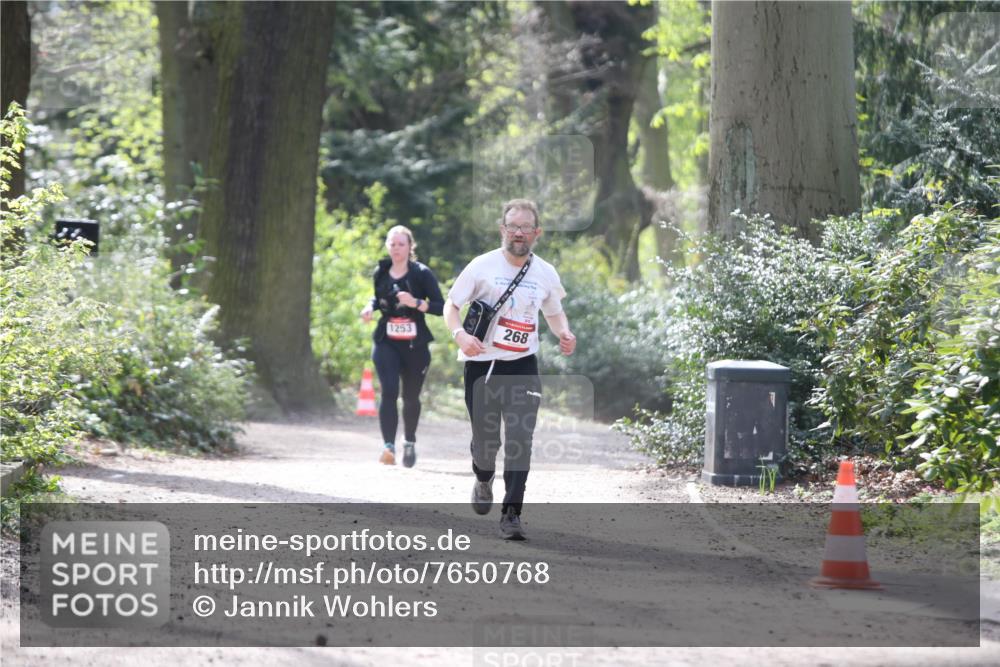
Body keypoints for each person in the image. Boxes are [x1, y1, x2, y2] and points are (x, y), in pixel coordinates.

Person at [444, 199, 576, 540]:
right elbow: (452, 305)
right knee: (486, 443)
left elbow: (554, 312)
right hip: (481, 365)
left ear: (536, 232)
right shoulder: (481, 266)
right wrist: (460, 336)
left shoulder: (544, 272)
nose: (519, 233)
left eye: (525, 227)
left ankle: (512, 514)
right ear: (503, 229)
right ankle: (483, 476)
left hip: (522, 366)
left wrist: (564, 332)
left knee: (521, 439)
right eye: (513, 226)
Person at [360, 225, 444, 467]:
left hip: (415, 345)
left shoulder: (421, 273)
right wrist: (370, 306)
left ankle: (409, 441)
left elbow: (440, 307)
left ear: (410, 247)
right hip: (386, 341)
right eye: (392, 244)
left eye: (401, 244)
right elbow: (378, 297)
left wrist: (415, 302)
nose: (396, 248)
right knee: (388, 391)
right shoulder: (381, 271)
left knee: (410, 397)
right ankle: (388, 447)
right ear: (387, 246)